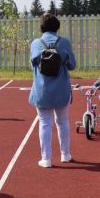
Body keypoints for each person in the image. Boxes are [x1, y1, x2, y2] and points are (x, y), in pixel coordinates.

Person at [29, 13, 77, 168]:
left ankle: (46, 159)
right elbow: (72, 66)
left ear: (41, 27)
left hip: (42, 90)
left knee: (44, 123)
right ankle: (66, 154)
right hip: (61, 89)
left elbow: (33, 65)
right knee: (63, 122)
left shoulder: (36, 43)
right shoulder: (64, 42)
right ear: (57, 27)